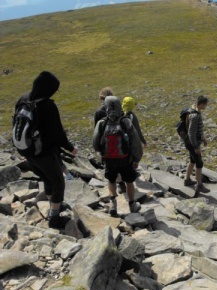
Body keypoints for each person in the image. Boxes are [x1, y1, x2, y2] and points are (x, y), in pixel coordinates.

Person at [15, 71, 78, 228]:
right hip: (44, 152)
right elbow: (57, 133)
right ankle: (54, 218)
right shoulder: (48, 106)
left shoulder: (24, 98)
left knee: (47, 178)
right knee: (58, 182)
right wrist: (71, 148)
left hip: (27, 150)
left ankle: (53, 205)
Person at [93, 96, 143, 215]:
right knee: (129, 181)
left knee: (111, 180)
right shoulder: (125, 122)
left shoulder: (102, 123)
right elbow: (135, 141)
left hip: (109, 159)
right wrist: (136, 158)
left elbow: (95, 143)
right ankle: (132, 204)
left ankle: (112, 204)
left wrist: (101, 153)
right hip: (125, 159)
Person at [183, 95, 210, 194]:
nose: (206, 106)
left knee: (192, 160)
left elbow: (197, 130)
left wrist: (203, 139)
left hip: (191, 143)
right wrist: (195, 147)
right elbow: (191, 132)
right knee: (199, 163)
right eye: (205, 104)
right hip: (193, 144)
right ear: (201, 104)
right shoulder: (195, 116)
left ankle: (187, 180)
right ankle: (199, 185)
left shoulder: (193, 110)